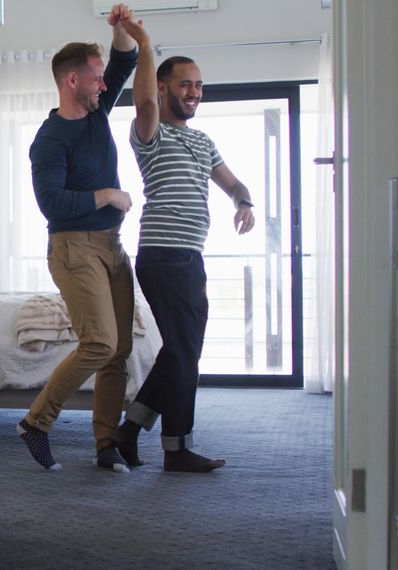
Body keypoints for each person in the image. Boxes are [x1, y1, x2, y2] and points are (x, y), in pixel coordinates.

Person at [112, 17, 256, 473]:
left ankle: (151, 438)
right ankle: (157, 440)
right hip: (163, 254)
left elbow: (233, 183)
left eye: (199, 85)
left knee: (183, 352)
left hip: (190, 258)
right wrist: (145, 42)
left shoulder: (203, 140)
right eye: (184, 84)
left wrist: (244, 202)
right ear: (163, 87)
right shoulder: (151, 134)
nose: (194, 92)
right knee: (182, 350)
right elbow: (144, 100)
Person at [17, 4, 141, 474]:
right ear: (73, 82)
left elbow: (124, 62)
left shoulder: (96, 115)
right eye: (95, 79)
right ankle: (36, 421)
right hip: (73, 248)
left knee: (120, 350)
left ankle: (106, 443)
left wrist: (121, 29)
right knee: (100, 343)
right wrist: (107, 193)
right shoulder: (50, 139)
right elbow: (52, 203)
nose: (103, 85)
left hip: (112, 245)